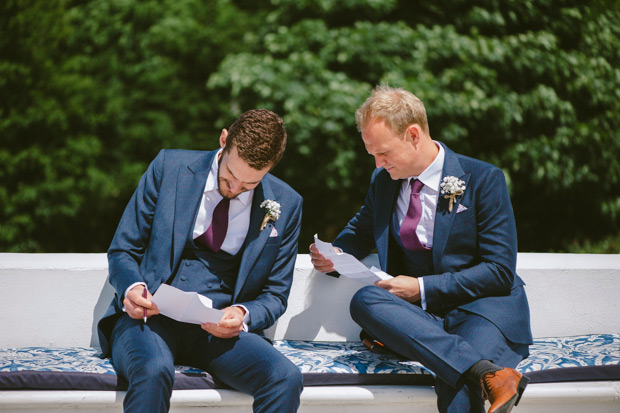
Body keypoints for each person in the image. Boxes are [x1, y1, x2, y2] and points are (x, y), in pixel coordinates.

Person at [309, 86, 532, 413]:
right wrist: (334, 255)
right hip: (424, 319)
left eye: (383, 152)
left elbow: (499, 271)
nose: (377, 162)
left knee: (455, 385)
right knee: (366, 300)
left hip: (484, 310)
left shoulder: (483, 179)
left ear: (413, 135)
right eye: (372, 153)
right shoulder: (383, 181)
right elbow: (361, 228)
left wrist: (421, 287)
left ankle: (476, 372)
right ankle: (491, 375)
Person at [97, 109, 304, 413]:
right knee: (153, 371)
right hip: (149, 319)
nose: (234, 189)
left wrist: (242, 313)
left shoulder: (286, 203)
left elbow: (275, 294)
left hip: (217, 330)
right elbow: (123, 249)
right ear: (223, 140)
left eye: (249, 186)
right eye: (230, 176)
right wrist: (132, 289)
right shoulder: (170, 167)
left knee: (285, 377)